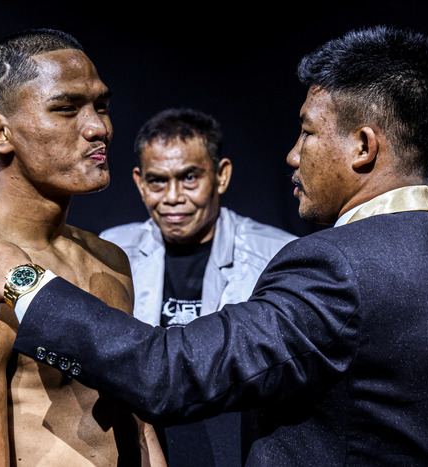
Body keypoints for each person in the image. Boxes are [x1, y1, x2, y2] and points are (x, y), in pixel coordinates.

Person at [0, 26, 428, 465]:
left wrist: (19, 281)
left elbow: (165, 376)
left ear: (363, 146)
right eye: (68, 108)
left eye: (307, 133)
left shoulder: (336, 269)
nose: (292, 155)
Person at [0, 29, 164, 466]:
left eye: (101, 106)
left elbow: (139, 430)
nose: (98, 128)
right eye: (66, 109)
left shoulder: (109, 259)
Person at [99, 108, 295, 464]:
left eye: (189, 177)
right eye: (157, 181)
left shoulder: (277, 255)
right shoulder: (111, 251)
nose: (173, 196)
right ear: (139, 182)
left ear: (221, 176)